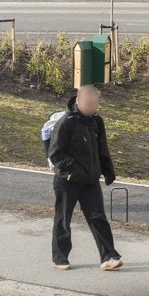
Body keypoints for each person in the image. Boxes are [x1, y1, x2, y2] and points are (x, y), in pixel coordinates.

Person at [48, 84, 123, 271]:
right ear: (78, 100)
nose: (92, 108)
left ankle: (109, 257)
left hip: (90, 181)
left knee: (98, 217)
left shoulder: (96, 121)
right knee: (63, 219)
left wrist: (108, 171)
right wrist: (75, 170)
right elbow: (55, 154)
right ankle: (60, 258)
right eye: (89, 103)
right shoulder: (66, 122)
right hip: (68, 181)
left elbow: (101, 149)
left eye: (95, 104)